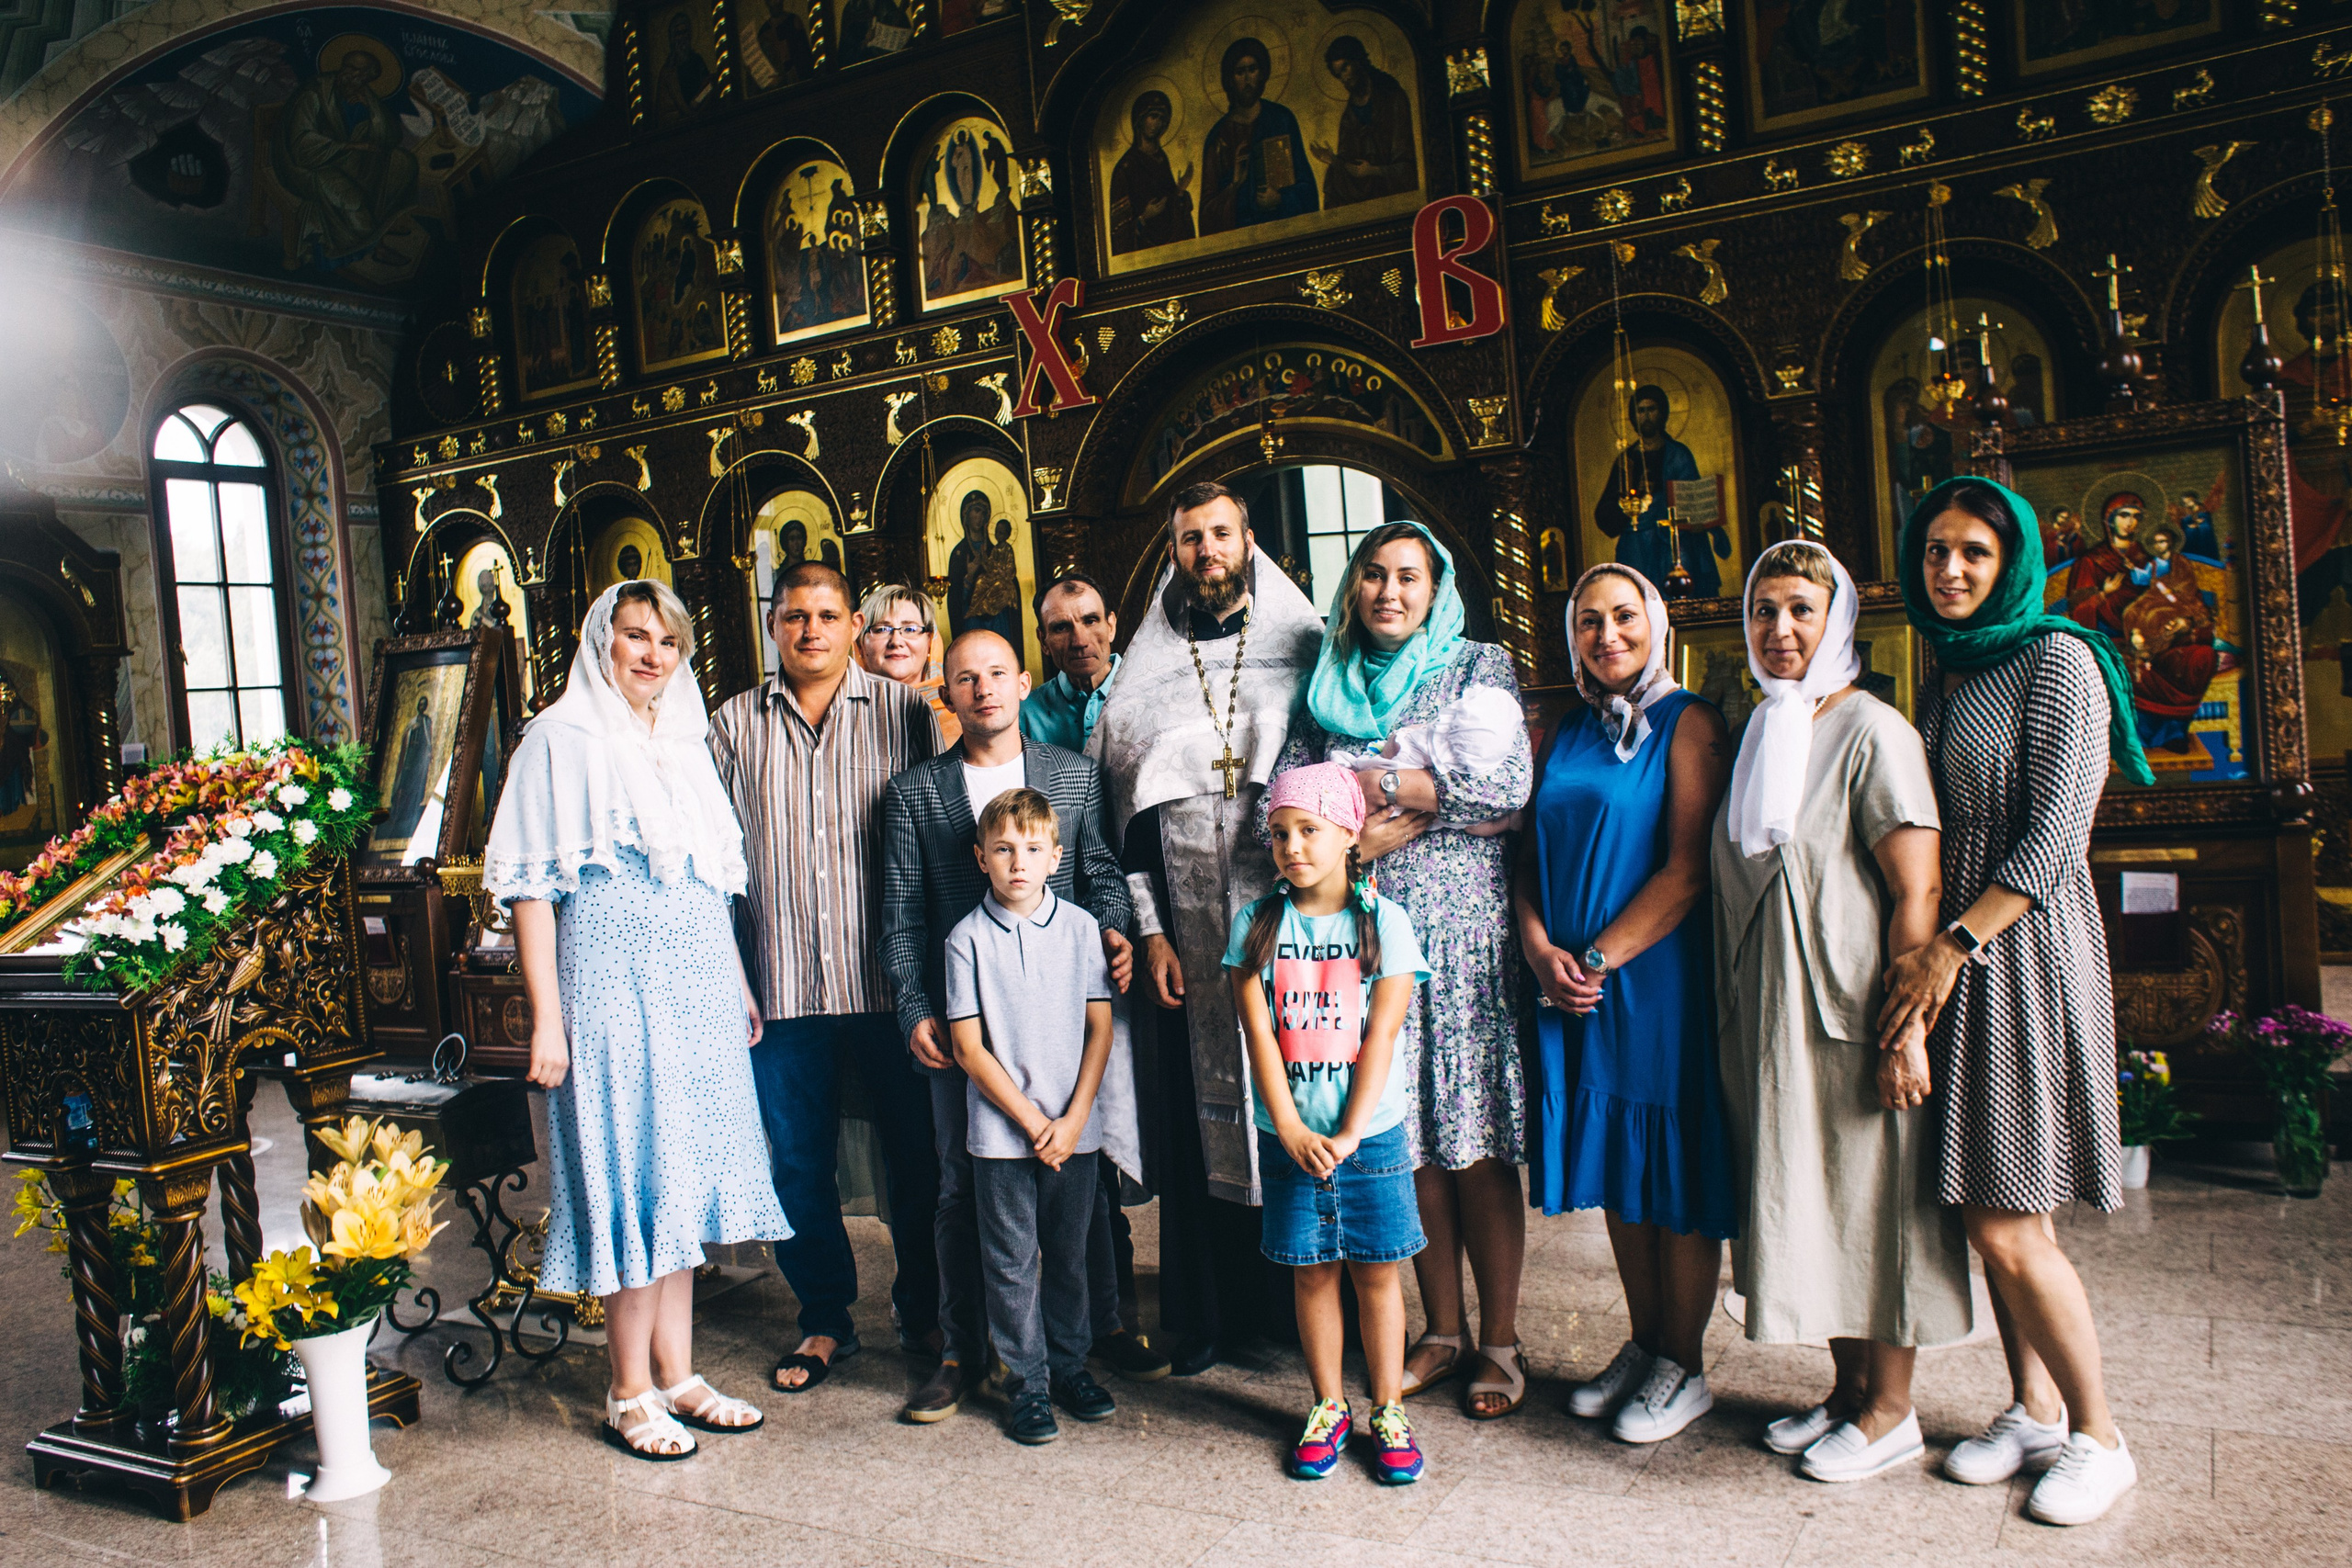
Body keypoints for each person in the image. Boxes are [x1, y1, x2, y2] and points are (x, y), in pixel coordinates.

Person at [1880, 477, 2149, 1526]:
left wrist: (1952, 945)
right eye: (1936, 551)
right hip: (1966, 954)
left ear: (2012, 563)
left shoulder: (2058, 659)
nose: (1950, 570)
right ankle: (2031, 1406)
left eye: (1973, 555)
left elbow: (2053, 835)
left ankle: (2100, 1434)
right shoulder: (1950, 672)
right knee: (1986, 1199)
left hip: (2023, 952)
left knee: (2009, 1223)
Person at [487, 580, 786, 1459]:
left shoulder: (687, 740)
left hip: (698, 981)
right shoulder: (560, 738)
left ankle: (681, 1374)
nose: (652, 653)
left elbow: (708, 878)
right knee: (633, 1166)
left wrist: (734, 982)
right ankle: (628, 1390)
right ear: (599, 643)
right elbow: (531, 890)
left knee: (683, 1174)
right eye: (634, 635)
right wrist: (548, 1020)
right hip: (611, 984)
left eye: (667, 639)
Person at [1710, 541, 1971, 1484]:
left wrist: (1905, 1030)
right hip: (1766, 1018)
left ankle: (1893, 1410)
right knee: (1806, 1204)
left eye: (1800, 612)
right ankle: (1848, 1388)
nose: (1779, 631)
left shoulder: (1870, 730)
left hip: (1849, 1013)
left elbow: (1917, 888)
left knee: (1871, 1205)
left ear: (1837, 623)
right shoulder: (1761, 730)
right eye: (1763, 612)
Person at [1267, 522, 1534, 1420]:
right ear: (1353, 588)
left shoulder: (1476, 665)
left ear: (1436, 587)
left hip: (1461, 939)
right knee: (1404, 1133)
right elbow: (1292, 803)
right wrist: (1393, 812)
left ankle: (1500, 1342)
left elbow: (1504, 792)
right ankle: (1442, 1330)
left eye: (1408, 577)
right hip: (1364, 942)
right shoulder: (1325, 684)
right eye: (1373, 575)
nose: (1389, 591)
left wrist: (1374, 791)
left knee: (1478, 1139)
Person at [879, 629, 1158, 1424]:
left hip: (1060, 1009)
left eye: (997, 673)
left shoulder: (1070, 776)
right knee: (960, 1189)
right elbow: (899, 916)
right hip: (966, 1017)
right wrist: (912, 1008)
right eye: (965, 678)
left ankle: (1086, 1339)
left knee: (1076, 1195)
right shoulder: (916, 792)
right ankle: (966, 1349)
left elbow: (1099, 869)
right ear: (948, 692)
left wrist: (1113, 932)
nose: (984, 688)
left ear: (1022, 680)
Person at [1090, 479, 1325, 1373]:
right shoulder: (1143, 678)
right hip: (1185, 938)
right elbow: (1125, 824)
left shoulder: (1301, 654)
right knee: (1199, 1119)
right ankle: (1210, 1317)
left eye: (1219, 535)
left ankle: (1300, 1309)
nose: (1206, 552)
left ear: (1248, 542)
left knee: (1294, 1105)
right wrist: (1150, 932)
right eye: (1190, 539)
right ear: (1175, 553)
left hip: (1285, 928)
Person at [707, 561, 944, 1395]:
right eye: (794, 615)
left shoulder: (907, 711)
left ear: (854, 626)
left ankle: (926, 1307)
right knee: (795, 1161)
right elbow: (714, 855)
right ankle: (824, 1319)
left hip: (888, 981)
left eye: (828, 614)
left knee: (916, 1153)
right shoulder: (733, 723)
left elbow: (948, 825)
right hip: (779, 983)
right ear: (773, 626)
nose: (811, 630)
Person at [1518, 563, 1735, 1445]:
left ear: (1658, 624)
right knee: (1616, 1161)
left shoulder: (1690, 724)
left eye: (1624, 617)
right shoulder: (1562, 729)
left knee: (1669, 1164)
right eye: (1588, 621)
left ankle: (1684, 1362)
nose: (1607, 635)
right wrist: (1540, 950)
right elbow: (1523, 854)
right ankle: (1645, 1344)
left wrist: (1597, 957)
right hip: (1566, 981)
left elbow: (1687, 869)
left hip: (1648, 977)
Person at [1227, 763, 1430, 1483]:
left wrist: (1347, 1134)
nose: (1291, 846)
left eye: (1308, 830)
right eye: (1280, 832)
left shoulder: (1386, 922)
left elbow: (1381, 1036)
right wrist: (1286, 1123)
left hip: (1369, 1135)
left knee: (1378, 1272)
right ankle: (1327, 1404)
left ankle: (1388, 1406)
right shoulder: (1255, 925)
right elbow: (1259, 1036)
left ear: (1349, 833)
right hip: (1291, 1137)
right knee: (1312, 1273)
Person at [946, 787, 1135, 1444]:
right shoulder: (965, 938)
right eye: (1003, 849)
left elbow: (1100, 1028)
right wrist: (1033, 1123)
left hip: (1072, 1130)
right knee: (1010, 1260)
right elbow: (969, 1047)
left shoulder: (1083, 929)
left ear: (1056, 856)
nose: (1017, 862)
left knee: (1071, 1253)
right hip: (1003, 1134)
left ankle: (1069, 1367)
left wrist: (1074, 1118)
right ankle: (1027, 1384)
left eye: (1032, 849)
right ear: (981, 858)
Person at [1594, 384, 1731, 598]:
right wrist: (1627, 510)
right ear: (1633, 417)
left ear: (1663, 414)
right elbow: (1605, 508)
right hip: (1639, 542)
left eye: (1651, 409)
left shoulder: (1678, 455)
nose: (1646, 416)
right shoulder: (1626, 460)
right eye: (1641, 411)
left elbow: (1694, 496)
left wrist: (1709, 525)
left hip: (1675, 540)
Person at [1200, 37, 1317, 235]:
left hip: (1285, 234)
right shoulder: (1218, 138)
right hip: (1240, 243)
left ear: (1262, 74)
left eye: (1252, 70)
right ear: (1230, 79)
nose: (1247, 79)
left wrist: (1281, 199)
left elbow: (1308, 190)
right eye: (1240, 72)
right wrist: (1234, 186)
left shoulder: (1282, 120)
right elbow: (1207, 215)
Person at [1311, 36, 1418, 208]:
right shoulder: (1349, 116)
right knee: (1333, 175)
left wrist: (1373, 170)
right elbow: (1351, 164)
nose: (1344, 78)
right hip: (1362, 186)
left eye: (1345, 68)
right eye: (1338, 75)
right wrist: (1333, 160)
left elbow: (1405, 164)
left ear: (1358, 60)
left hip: (1390, 181)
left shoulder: (1392, 97)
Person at [1022, 571, 1121, 752]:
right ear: (1043, 641)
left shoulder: (1149, 693)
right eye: (1061, 627)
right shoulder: (1025, 714)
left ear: (1110, 627)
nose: (1079, 642)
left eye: (1090, 621)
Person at [857, 582, 959, 743]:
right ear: (860, 646)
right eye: (882, 629)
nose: (896, 641)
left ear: (929, 643)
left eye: (910, 629)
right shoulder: (844, 713)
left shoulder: (958, 708)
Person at [1109, 90, 1195, 254]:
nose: (1157, 123)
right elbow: (1120, 229)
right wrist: (1143, 218)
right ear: (1140, 119)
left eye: (1162, 118)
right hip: (1144, 250)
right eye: (1153, 116)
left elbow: (1169, 206)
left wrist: (1179, 192)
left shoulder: (1161, 159)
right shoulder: (1126, 168)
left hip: (1170, 247)